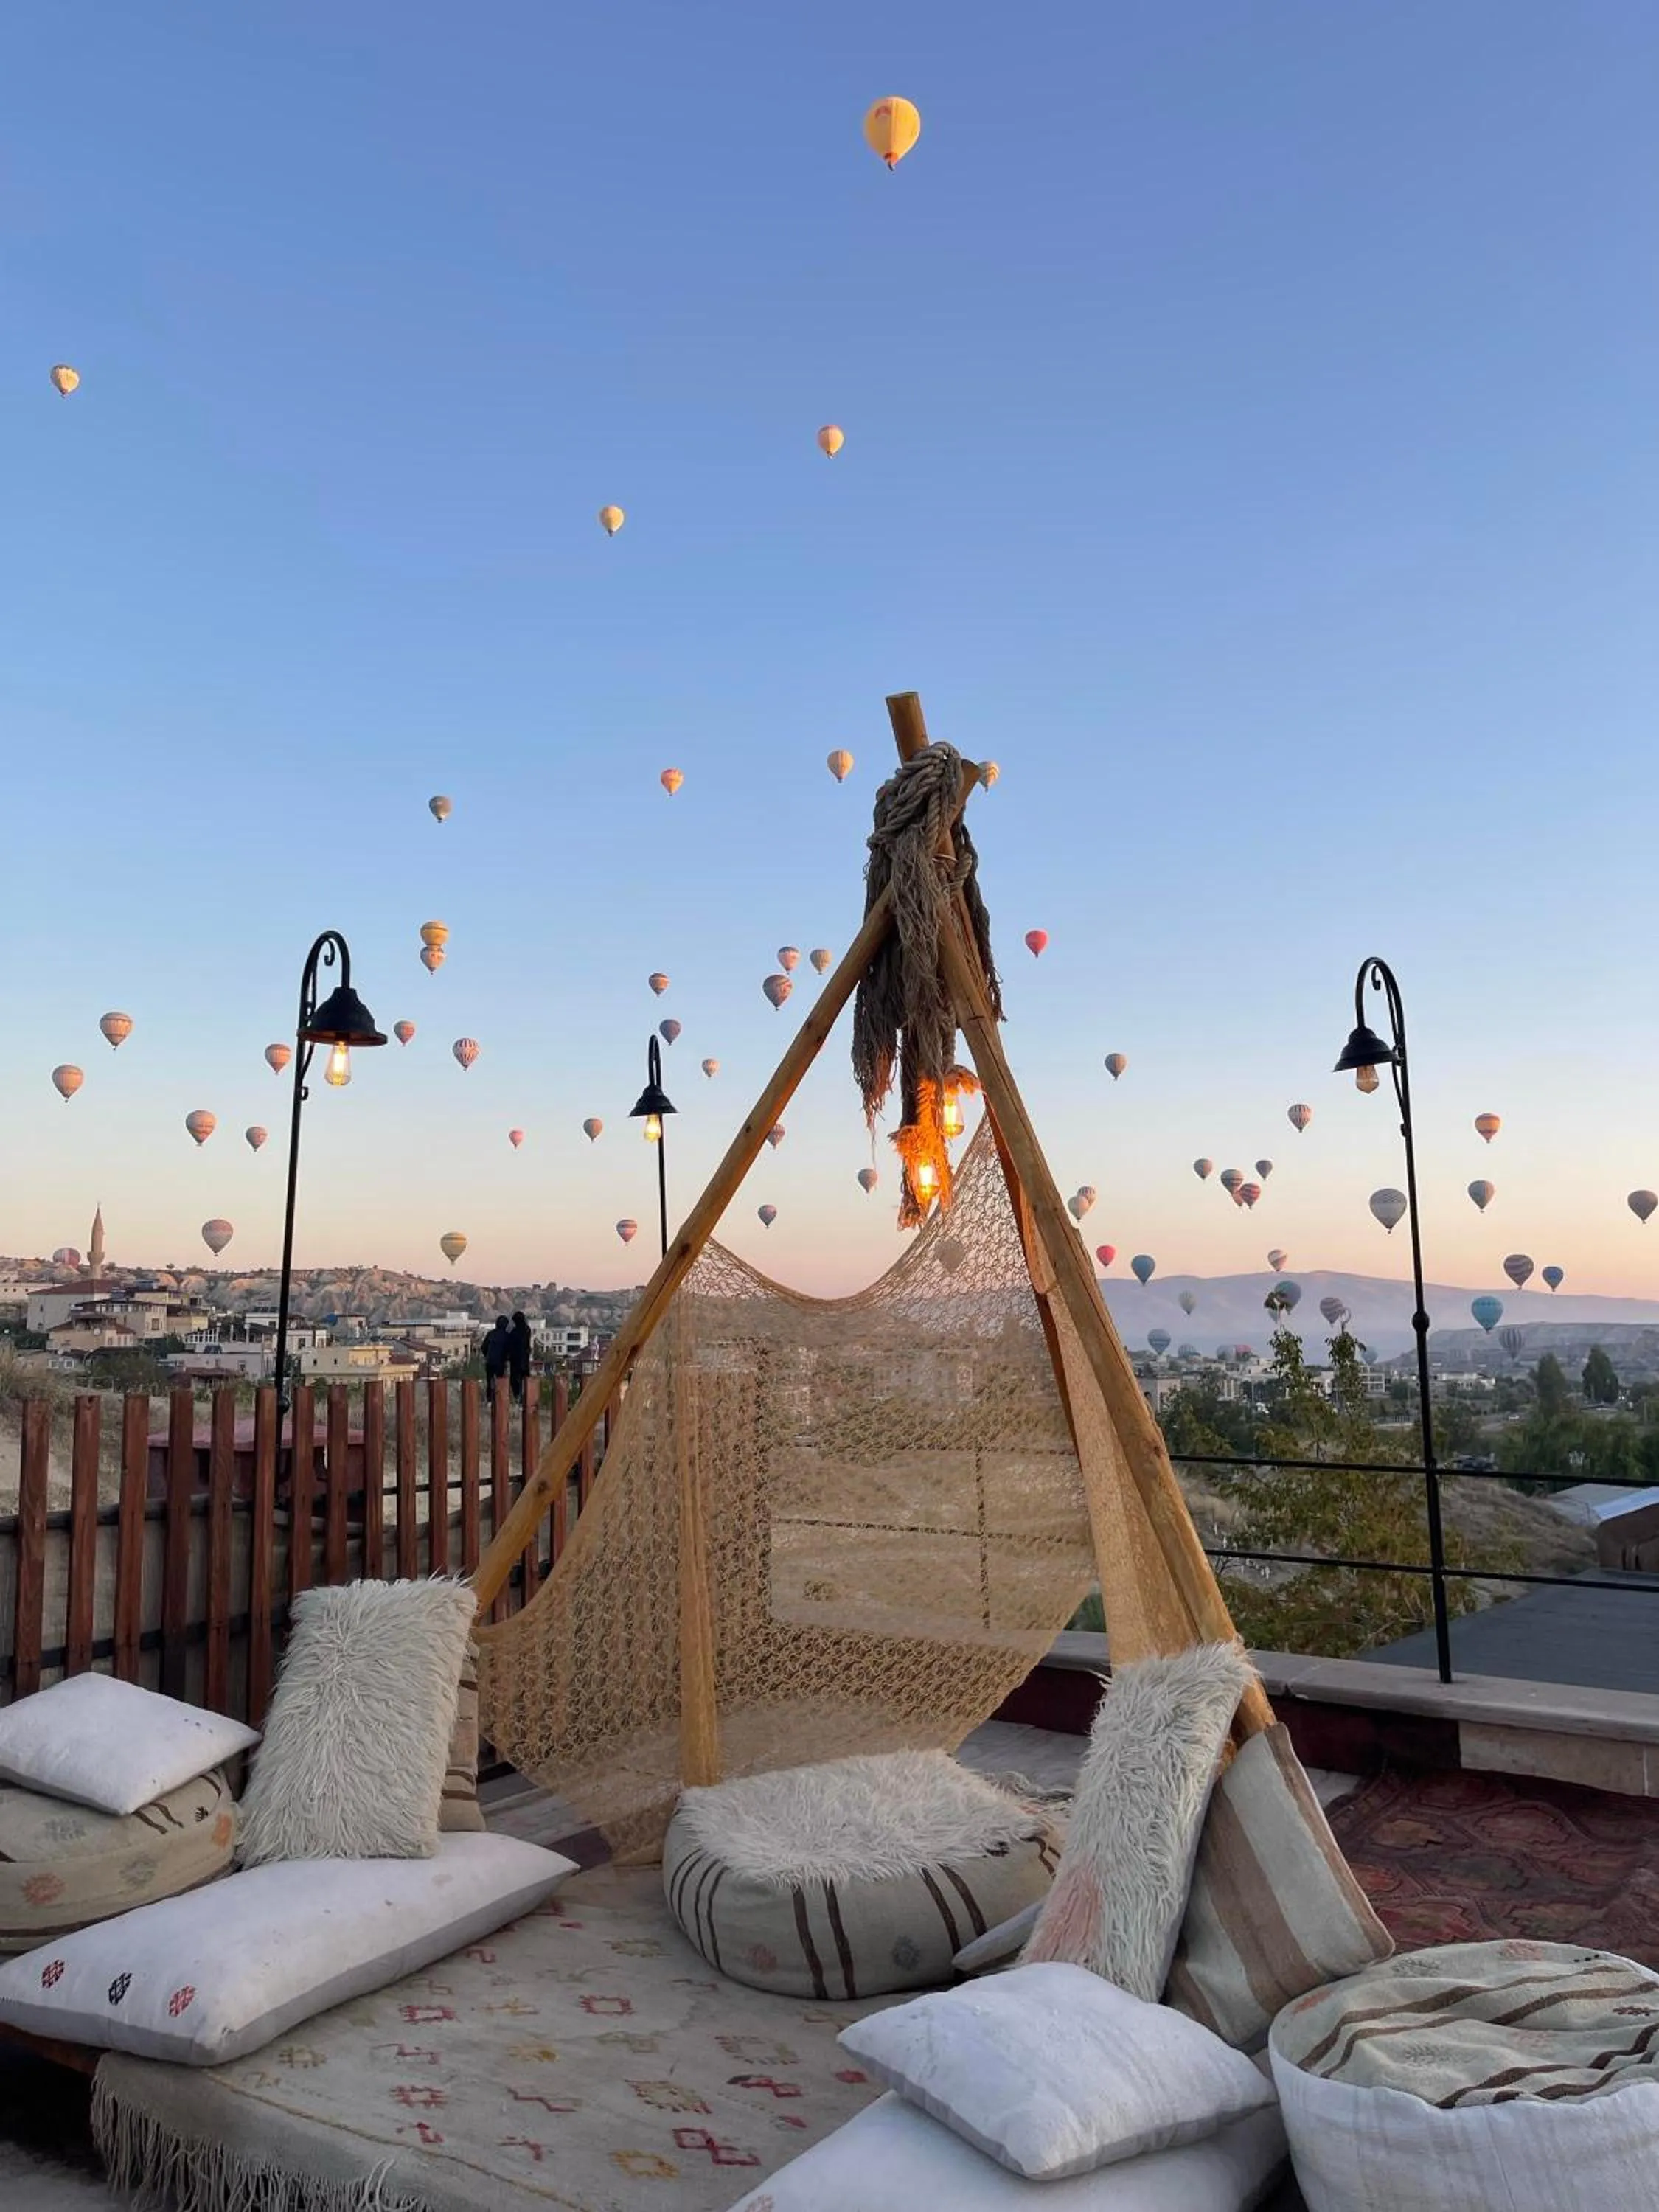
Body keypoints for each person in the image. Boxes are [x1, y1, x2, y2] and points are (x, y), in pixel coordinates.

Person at [481, 1315, 509, 1403]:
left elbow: (483, 1347)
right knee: (500, 1381)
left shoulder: (491, 1334)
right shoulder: (507, 1336)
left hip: (490, 1361)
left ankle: (489, 1400)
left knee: (489, 1381)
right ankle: (499, 1400)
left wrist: (487, 1356)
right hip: (500, 1363)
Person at [507, 1310, 533, 1403]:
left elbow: (510, 1345)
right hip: (524, 1360)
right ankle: (525, 1397)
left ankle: (518, 1397)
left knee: (516, 1380)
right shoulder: (527, 1330)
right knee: (524, 1379)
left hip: (517, 1360)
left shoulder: (515, 1332)